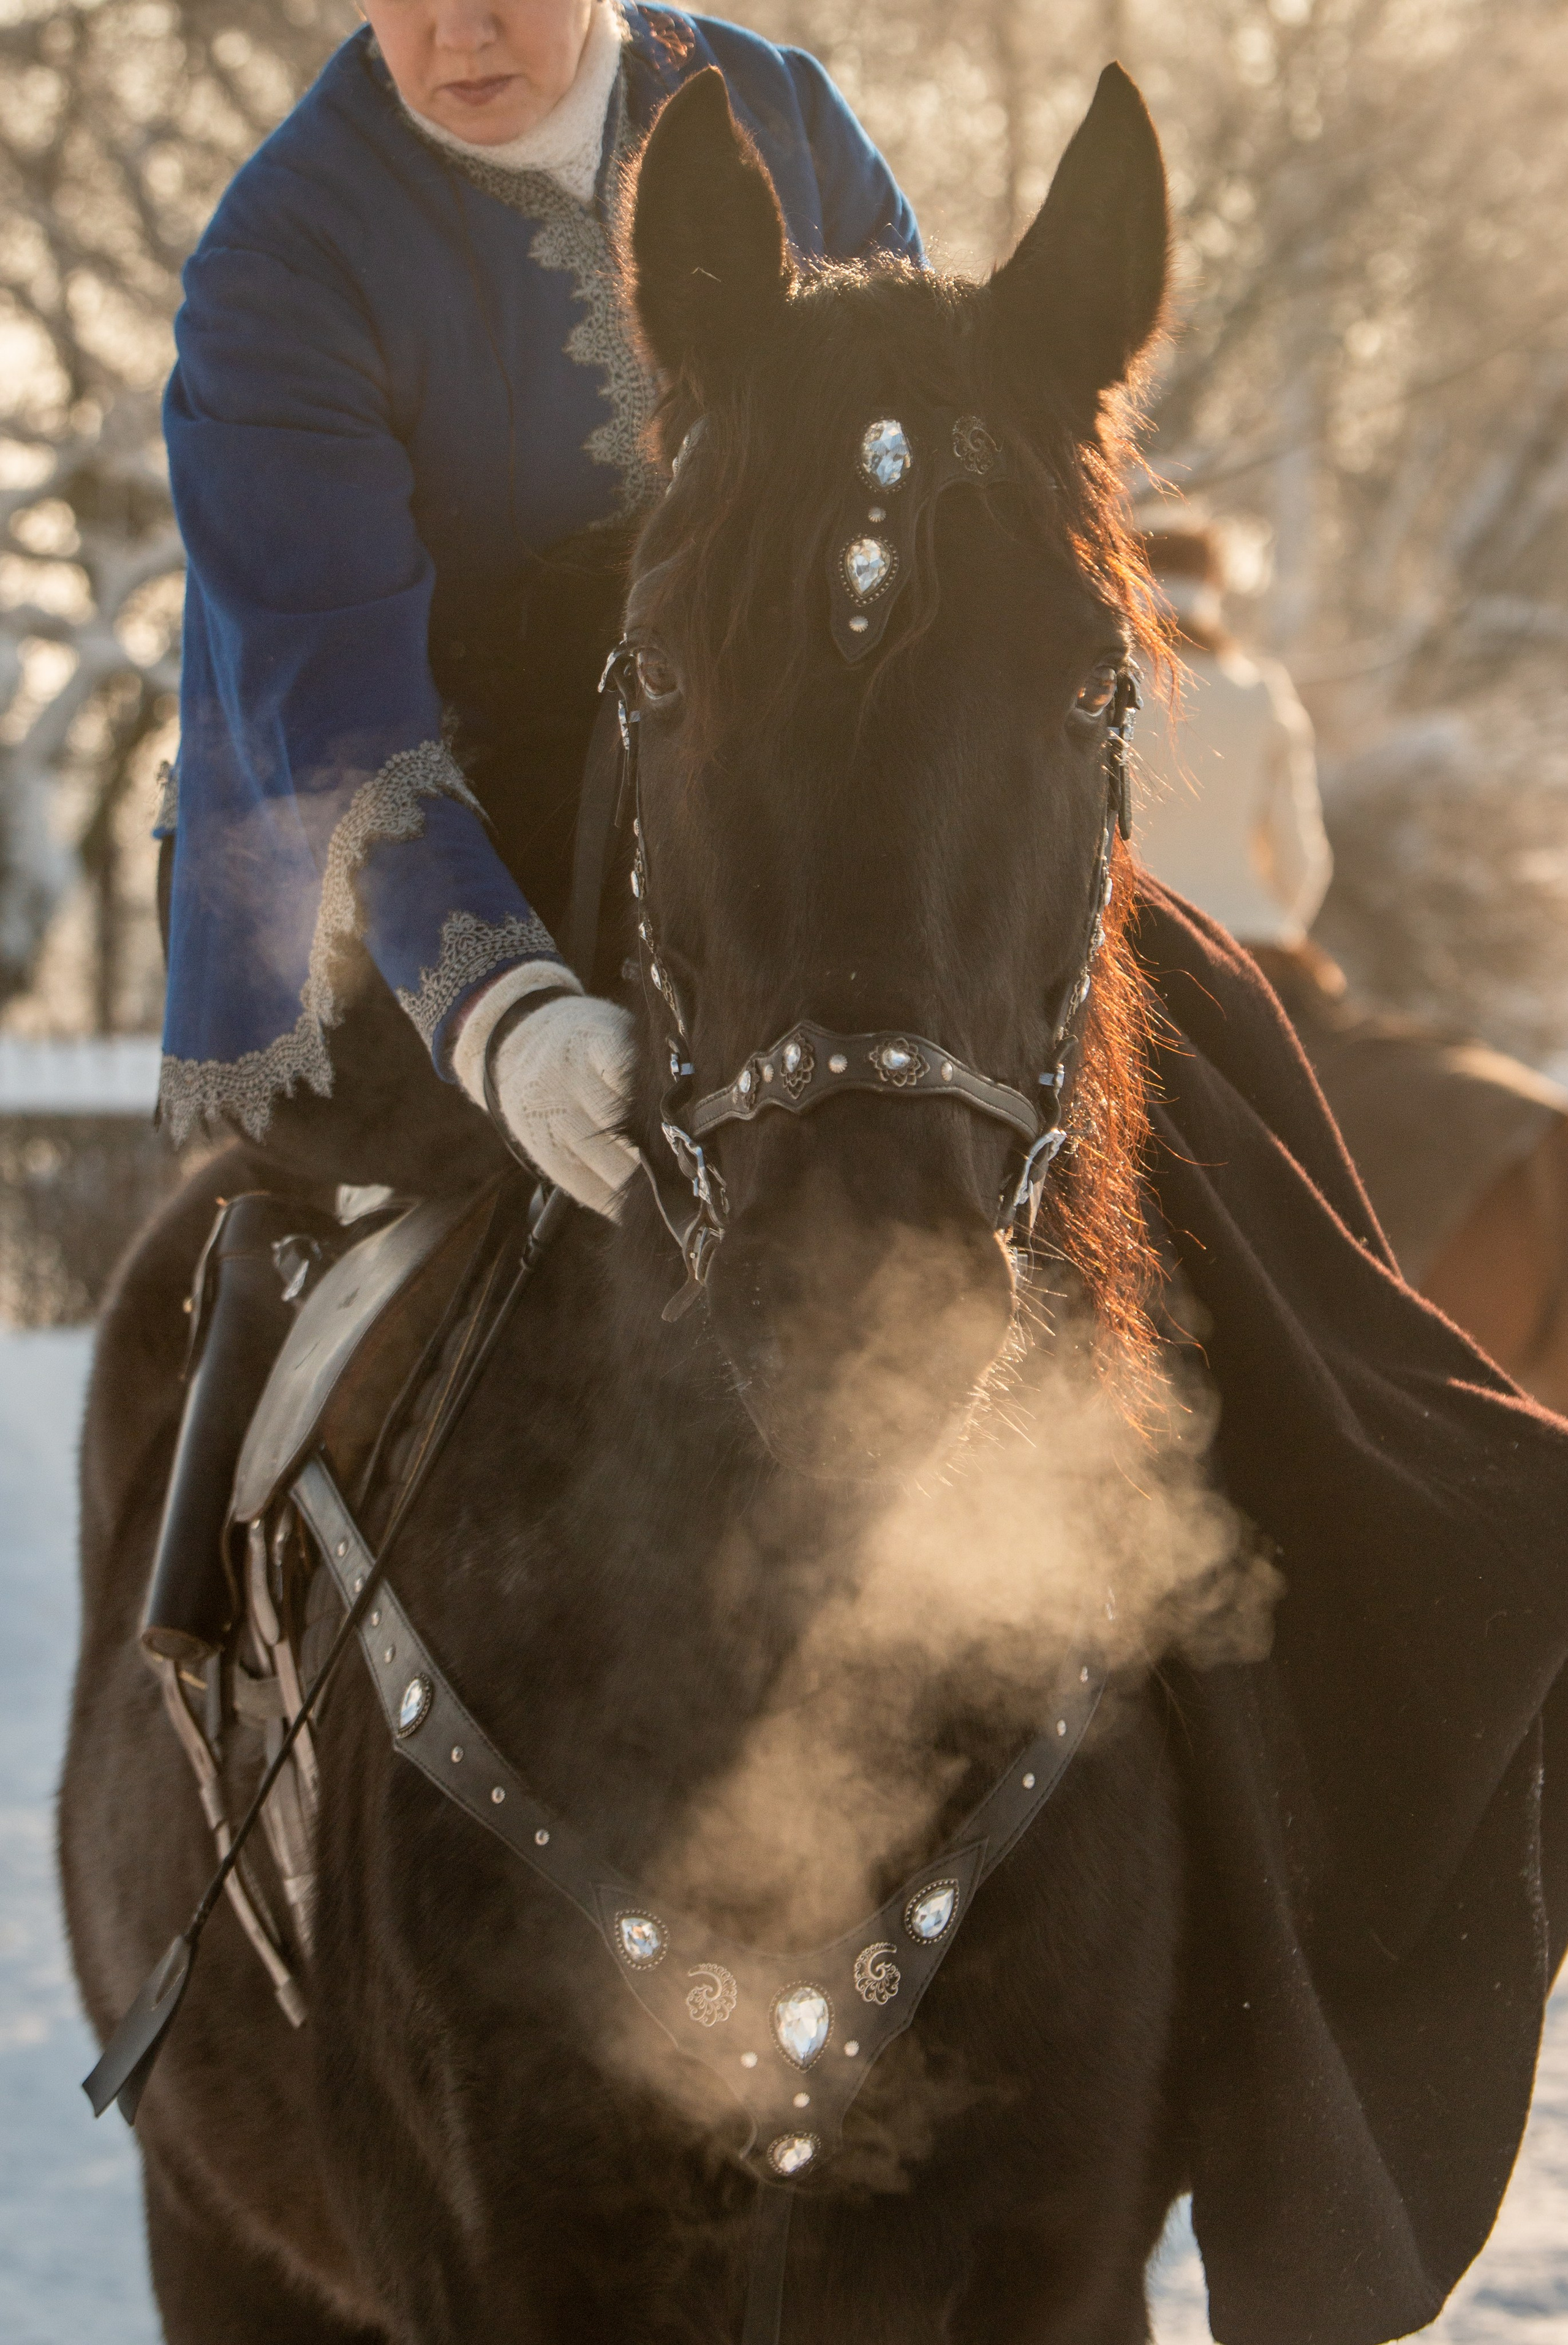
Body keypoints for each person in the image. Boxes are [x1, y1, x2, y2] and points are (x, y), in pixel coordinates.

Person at [156, 0, 921, 1214]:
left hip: (753, 839)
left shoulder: (787, 117)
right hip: (403, 873)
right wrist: (506, 1017)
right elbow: (337, 712)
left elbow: (901, 490)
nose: (460, 36)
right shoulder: (279, 256)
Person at [1133, 512, 1568, 1410]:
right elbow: (1305, 863)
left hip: (1133, 949)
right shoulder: (1262, 692)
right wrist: (1260, 925)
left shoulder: (1101, 686)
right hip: (1258, 960)